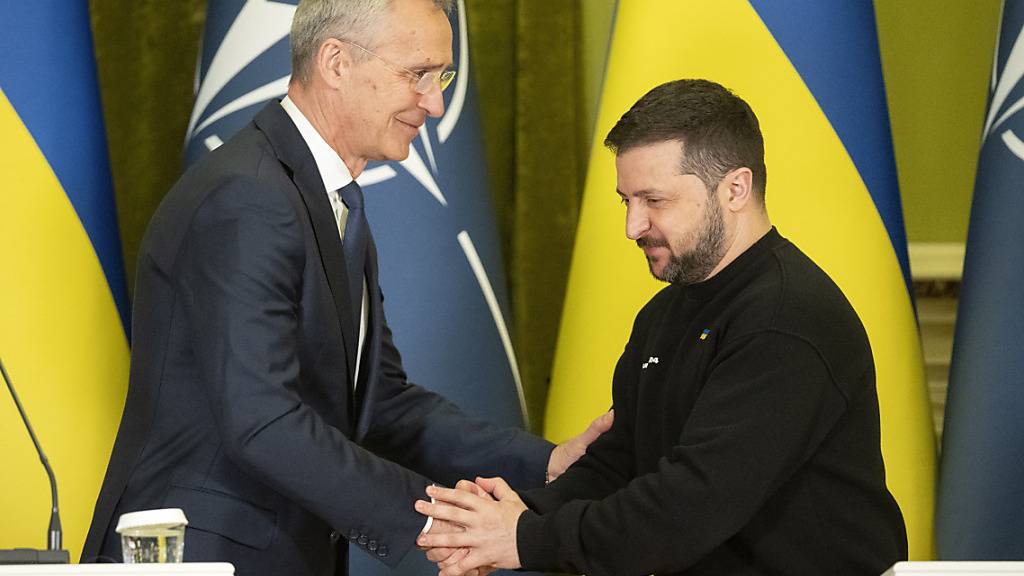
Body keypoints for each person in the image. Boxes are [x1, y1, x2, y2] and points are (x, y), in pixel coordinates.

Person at [80, 1, 610, 574]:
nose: (434, 103)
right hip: (201, 553)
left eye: (442, 78)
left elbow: (380, 405)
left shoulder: (329, 201)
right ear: (335, 62)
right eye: (418, 75)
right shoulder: (249, 198)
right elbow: (263, 421)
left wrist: (550, 462)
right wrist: (437, 525)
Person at [416, 79, 909, 576]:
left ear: (735, 188)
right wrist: (512, 518)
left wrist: (526, 538)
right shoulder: (664, 314)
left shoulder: (787, 320)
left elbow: (692, 504)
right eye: (625, 200)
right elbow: (622, 461)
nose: (633, 226)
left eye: (654, 200)